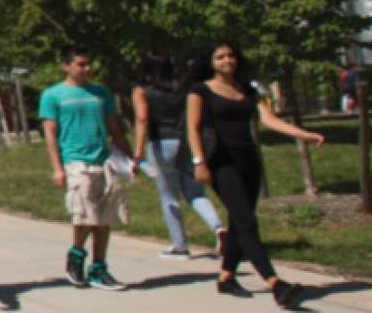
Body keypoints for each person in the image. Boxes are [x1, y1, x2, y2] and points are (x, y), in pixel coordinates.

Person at [181, 41, 325, 307]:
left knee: (239, 220)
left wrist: (304, 134)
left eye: (231, 56)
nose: (228, 61)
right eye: (221, 57)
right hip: (221, 164)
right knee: (246, 222)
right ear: (210, 62)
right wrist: (199, 162)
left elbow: (269, 120)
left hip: (249, 162)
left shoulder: (246, 89)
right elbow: (193, 128)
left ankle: (226, 278)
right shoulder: (200, 90)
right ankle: (275, 283)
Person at [39, 44, 136, 291]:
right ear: (66, 66)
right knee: (84, 215)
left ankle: (99, 269)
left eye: (89, 63)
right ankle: (77, 254)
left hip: (103, 161)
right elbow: (50, 133)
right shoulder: (53, 95)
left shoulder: (100, 93)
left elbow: (115, 128)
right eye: (81, 64)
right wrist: (57, 167)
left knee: (105, 217)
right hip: (75, 161)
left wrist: (131, 157)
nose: (87, 68)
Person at [131, 50, 227, 259]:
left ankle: (180, 245)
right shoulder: (185, 88)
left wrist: (138, 153)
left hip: (162, 144)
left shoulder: (142, 91)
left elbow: (143, 120)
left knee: (169, 197)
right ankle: (219, 229)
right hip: (189, 143)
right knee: (196, 194)